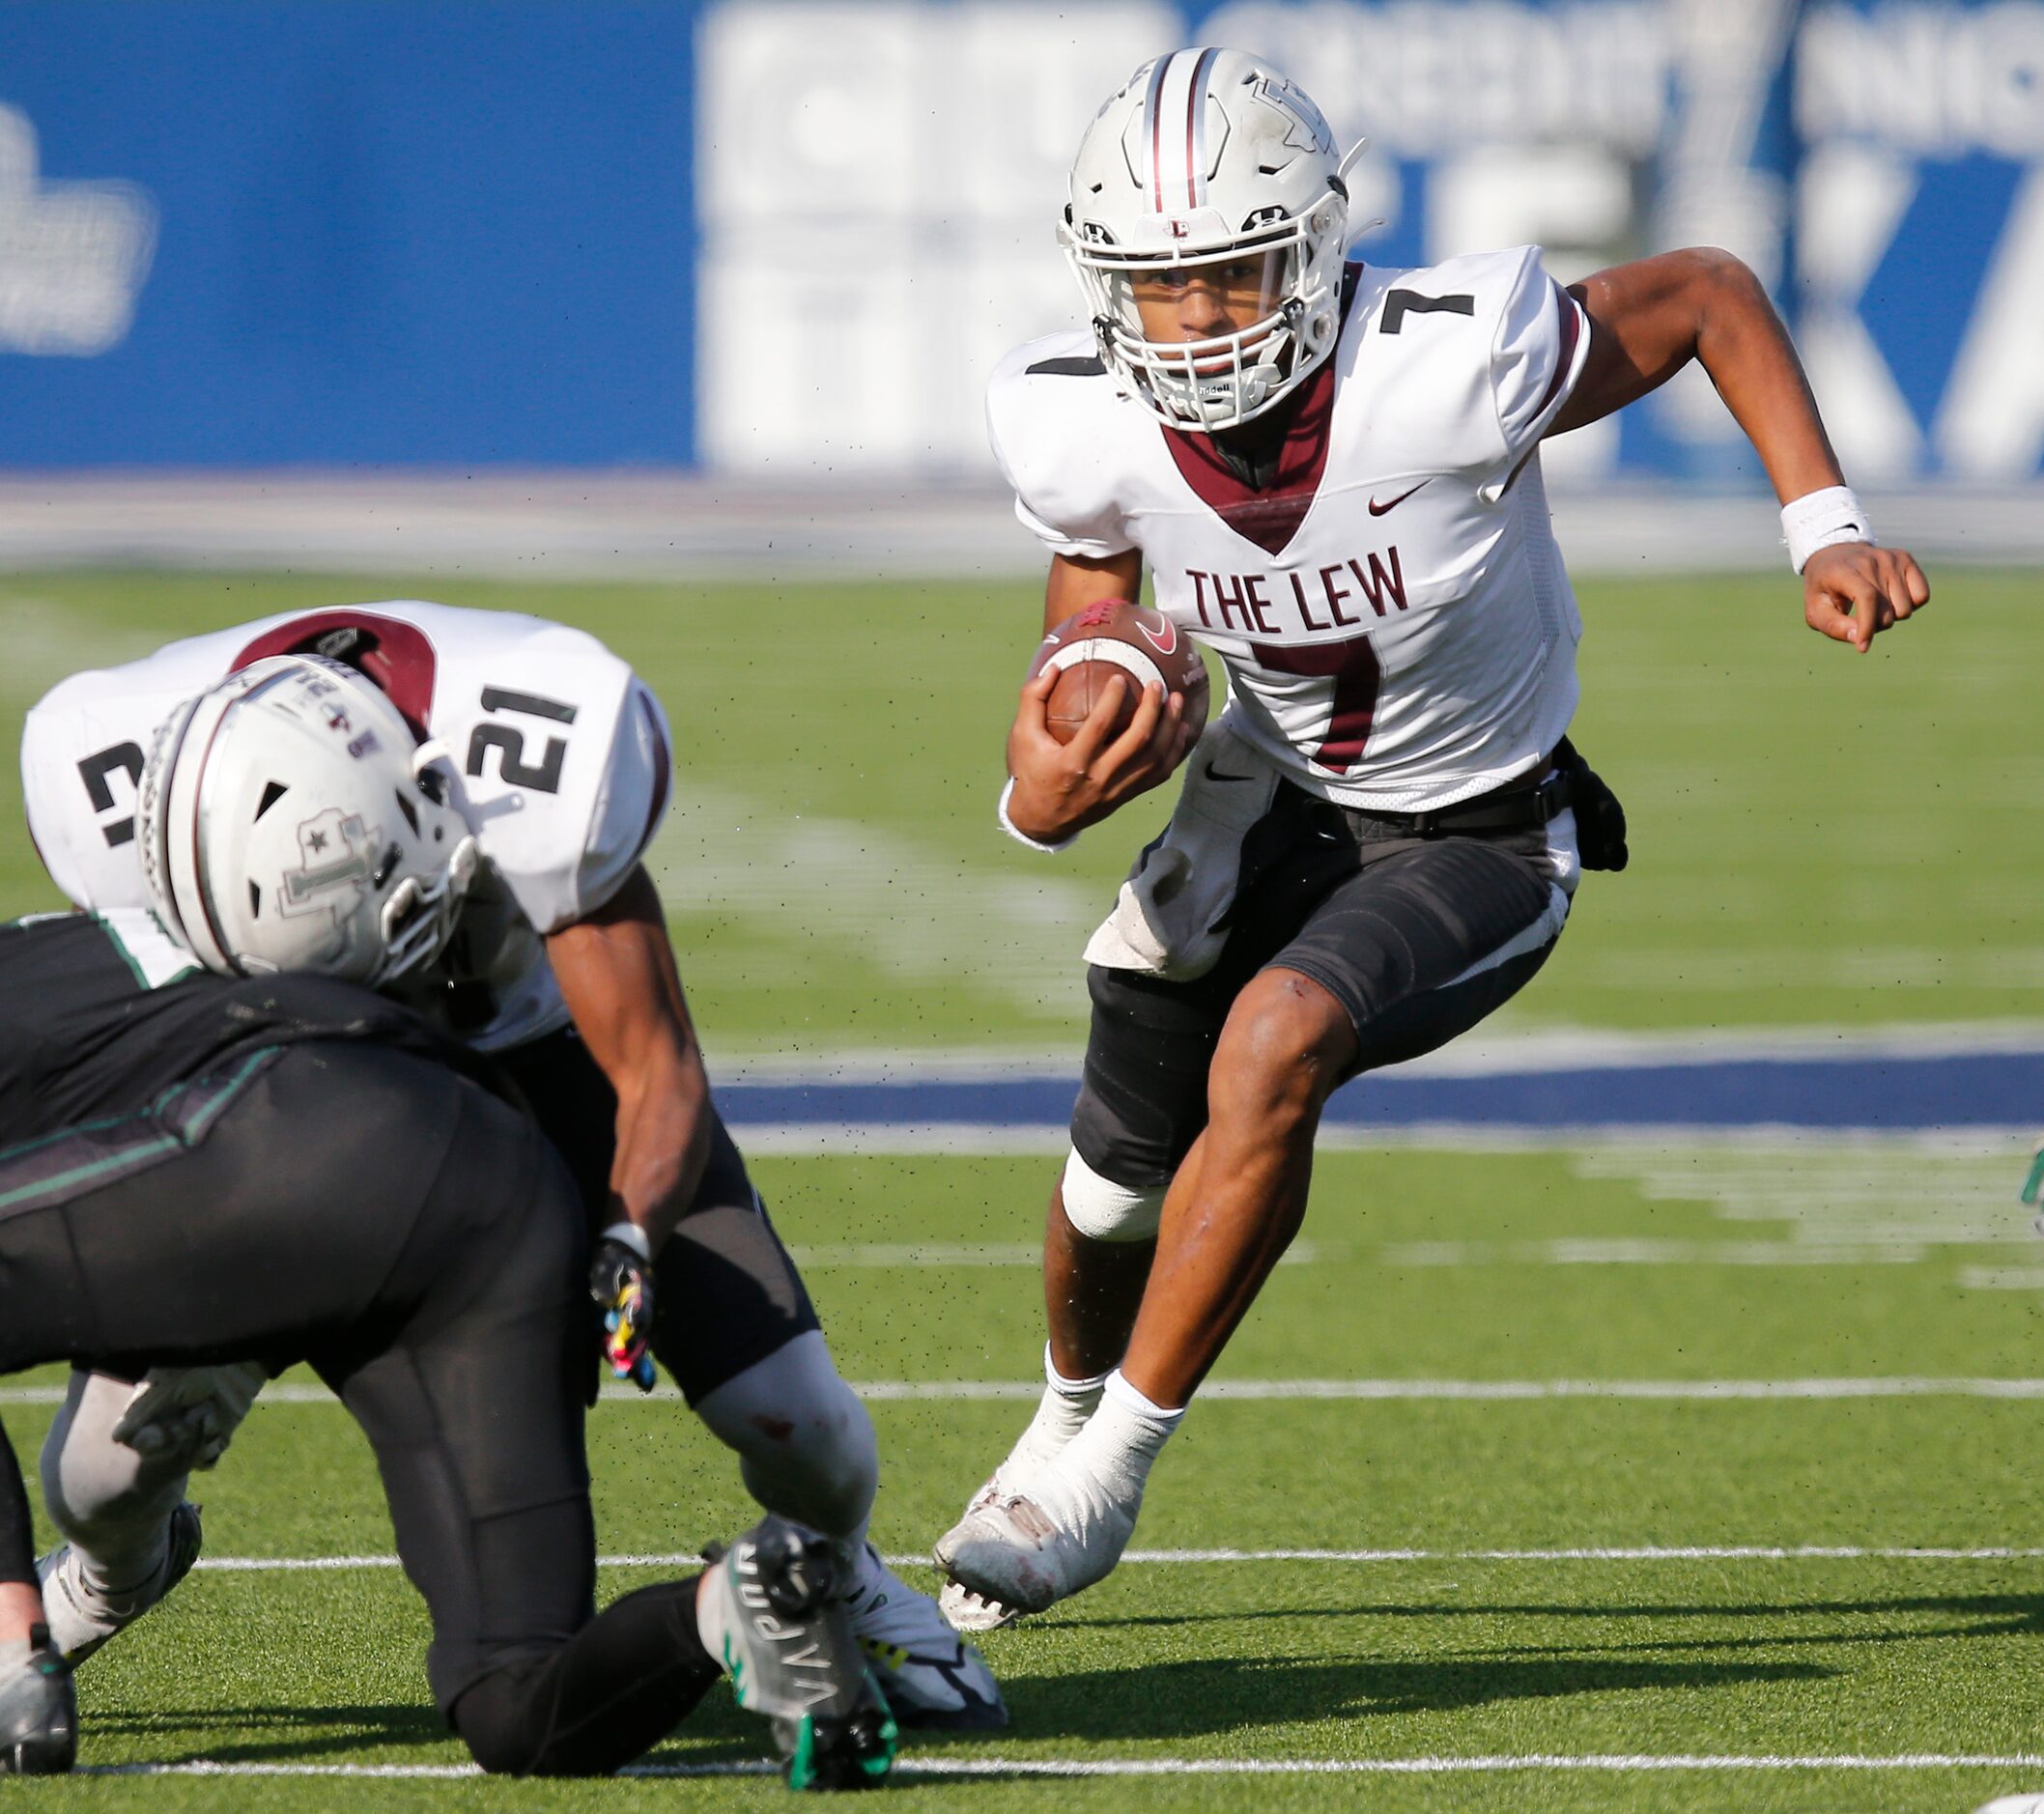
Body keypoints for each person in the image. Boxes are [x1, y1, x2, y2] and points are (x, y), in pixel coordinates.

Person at [934, 44, 1931, 1627]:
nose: (1193, 323)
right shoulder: (1078, 423)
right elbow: (1087, 649)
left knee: (1272, 1048)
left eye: (1230, 275)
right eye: (1159, 285)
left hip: (1478, 830)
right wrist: (1047, 779)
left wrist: (1823, 522)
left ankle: (1107, 1466)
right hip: (1263, 807)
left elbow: (1710, 298)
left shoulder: (1444, 362)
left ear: (1315, 247)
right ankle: (1053, 1425)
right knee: (1111, 1186)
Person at [18, 603, 1001, 1728]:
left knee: (802, 1423)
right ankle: (112, 1574)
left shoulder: (543, 760)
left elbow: (656, 1073)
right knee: (99, 1476)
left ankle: (846, 1577)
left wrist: (629, 1235)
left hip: (538, 1052)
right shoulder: (104, 772)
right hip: (287, 1083)